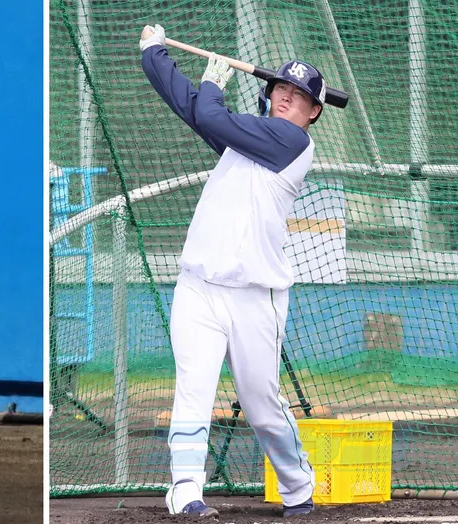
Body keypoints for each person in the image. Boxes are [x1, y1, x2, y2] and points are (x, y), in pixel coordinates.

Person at [139, 24, 323, 519]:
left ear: (314, 112)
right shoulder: (244, 140)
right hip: (198, 288)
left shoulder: (291, 145)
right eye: (281, 89)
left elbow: (211, 114)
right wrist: (154, 55)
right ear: (270, 97)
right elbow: (191, 108)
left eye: (299, 95)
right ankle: (185, 489)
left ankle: (297, 484)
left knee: (261, 404)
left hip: (255, 297)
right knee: (193, 386)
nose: (287, 98)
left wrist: (213, 87)